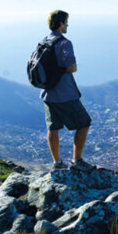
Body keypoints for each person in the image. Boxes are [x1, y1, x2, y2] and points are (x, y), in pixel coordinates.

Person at [41, 10, 93, 171]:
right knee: (84, 123)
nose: (67, 26)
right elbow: (70, 66)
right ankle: (76, 160)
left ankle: (57, 163)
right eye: (67, 23)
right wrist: (75, 66)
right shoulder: (64, 43)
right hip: (64, 93)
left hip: (48, 93)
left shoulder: (43, 42)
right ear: (61, 23)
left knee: (53, 127)